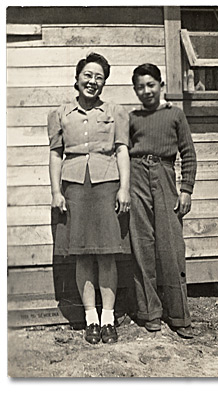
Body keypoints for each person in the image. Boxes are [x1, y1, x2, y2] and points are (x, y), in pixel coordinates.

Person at [47, 52, 130, 345]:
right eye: (88, 75)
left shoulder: (115, 112)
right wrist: (56, 191)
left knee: (107, 253)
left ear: (104, 83)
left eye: (99, 78)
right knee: (82, 253)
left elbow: (122, 150)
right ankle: (90, 319)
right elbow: (56, 154)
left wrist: (124, 188)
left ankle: (108, 318)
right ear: (77, 77)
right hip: (74, 187)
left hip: (107, 184)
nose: (92, 82)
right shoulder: (60, 114)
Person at [129, 63, 197, 339]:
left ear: (161, 85)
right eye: (140, 87)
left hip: (165, 175)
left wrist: (186, 189)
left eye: (150, 85)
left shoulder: (175, 115)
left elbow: (188, 154)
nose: (146, 91)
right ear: (135, 90)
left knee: (171, 246)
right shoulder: (131, 118)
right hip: (135, 178)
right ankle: (150, 313)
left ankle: (179, 315)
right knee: (142, 244)